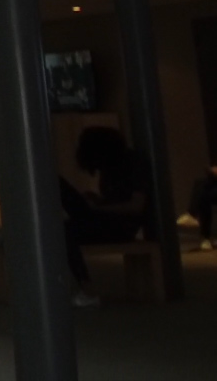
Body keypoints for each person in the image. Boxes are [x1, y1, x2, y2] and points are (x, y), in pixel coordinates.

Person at [62, 125, 151, 307]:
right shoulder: (109, 166)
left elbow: (136, 206)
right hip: (104, 219)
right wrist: (98, 201)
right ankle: (85, 288)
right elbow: (114, 199)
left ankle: (87, 289)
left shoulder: (134, 163)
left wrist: (98, 208)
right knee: (59, 188)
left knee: (65, 231)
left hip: (121, 227)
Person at [176, 151, 217, 249]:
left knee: (203, 192)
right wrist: (213, 170)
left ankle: (192, 216)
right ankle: (203, 233)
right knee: (202, 189)